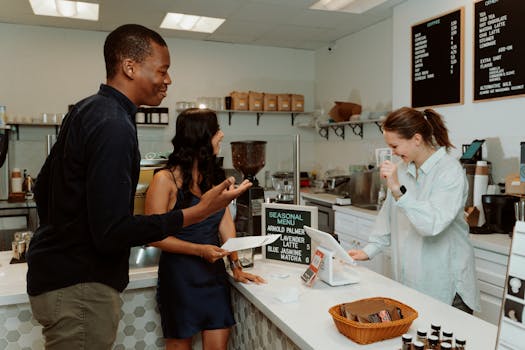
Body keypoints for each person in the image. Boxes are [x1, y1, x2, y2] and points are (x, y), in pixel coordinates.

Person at [26, 24, 251, 350]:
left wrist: (66, 233)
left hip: (59, 277)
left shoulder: (86, 110)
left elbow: (43, 189)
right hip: (80, 287)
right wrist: (197, 212)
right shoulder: (114, 124)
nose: (168, 80)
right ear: (129, 67)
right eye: (163, 70)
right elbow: (112, 230)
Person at [145, 108, 265, 350]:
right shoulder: (164, 180)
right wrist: (200, 250)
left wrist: (236, 265)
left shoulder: (214, 177)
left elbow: (225, 225)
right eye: (215, 130)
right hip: (179, 279)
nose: (221, 134)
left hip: (213, 277)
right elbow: (153, 237)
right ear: (200, 137)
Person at [348, 106, 480, 314]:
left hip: (446, 288)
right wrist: (368, 250)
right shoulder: (402, 170)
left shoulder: (449, 171)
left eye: (395, 146)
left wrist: (398, 190)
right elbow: (388, 217)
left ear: (416, 139)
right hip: (411, 285)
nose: (393, 152)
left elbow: (432, 224)